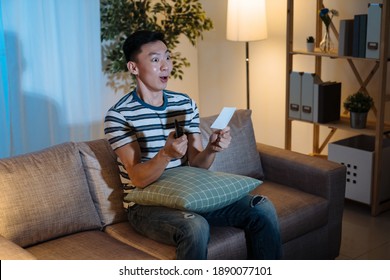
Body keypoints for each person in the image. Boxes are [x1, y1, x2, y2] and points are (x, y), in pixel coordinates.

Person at [104, 30, 282, 260]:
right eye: (155, 59)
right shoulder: (119, 115)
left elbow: (198, 166)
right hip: (144, 205)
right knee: (196, 226)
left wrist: (211, 148)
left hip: (189, 192)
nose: (166, 65)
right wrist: (166, 155)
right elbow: (137, 178)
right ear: (134, 68)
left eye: (167, 57)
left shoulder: (185, 103)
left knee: (261, 207)